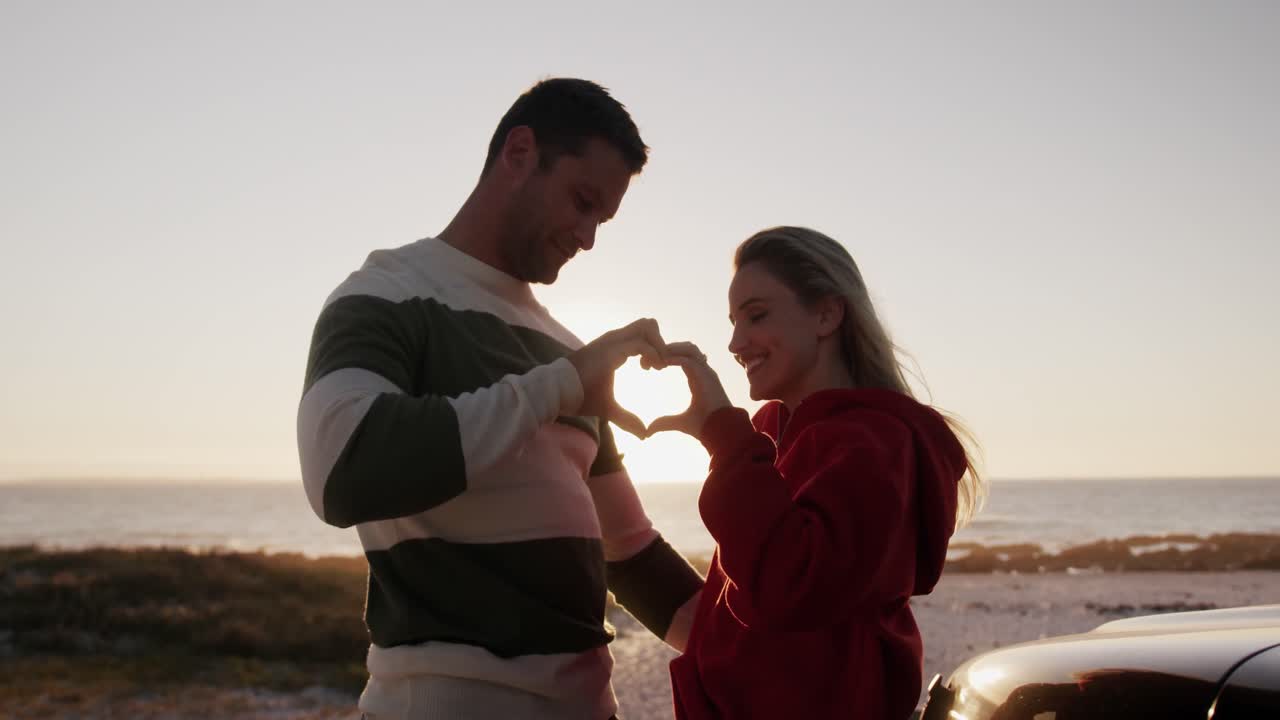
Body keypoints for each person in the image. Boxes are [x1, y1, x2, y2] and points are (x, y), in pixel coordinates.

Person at [296, 78, 703, 720]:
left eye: (602, 219)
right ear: (519, 152)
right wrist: (561, 385)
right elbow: (343, 472)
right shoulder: (386, 294)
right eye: (582, 202)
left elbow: (630, 555)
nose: (588, 237)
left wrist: (771, 657)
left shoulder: (567, 351)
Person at [649, 226, 985, 720]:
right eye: (733, 322)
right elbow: (734, 604)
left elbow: (787, 589)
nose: (735, 343)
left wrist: (724, 435)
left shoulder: (876, 443)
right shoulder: (769, 434)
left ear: (827, 314)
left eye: (756, 316)